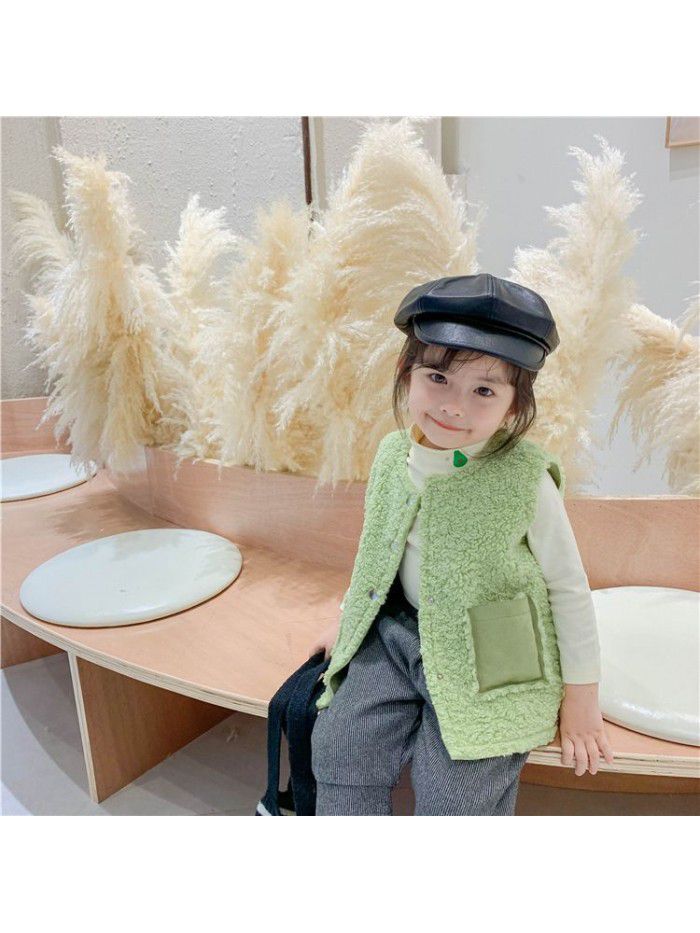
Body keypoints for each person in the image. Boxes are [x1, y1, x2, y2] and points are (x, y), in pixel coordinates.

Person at [308, 273, 614, 815]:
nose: (454, 406)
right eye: (438, 378)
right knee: (339, 743)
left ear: (514, 407)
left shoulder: (525, 479)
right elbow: (375, 551)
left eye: (484, 391)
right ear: (405, 373)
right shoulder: (392, 456)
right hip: (400, 633)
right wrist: (348, 621)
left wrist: (582, 697)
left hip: (492, 655)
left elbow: (568, 587)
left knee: (456, 792)